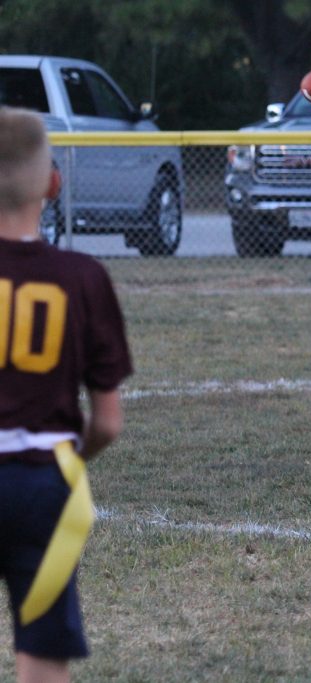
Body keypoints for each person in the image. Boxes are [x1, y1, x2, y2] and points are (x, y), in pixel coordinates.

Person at [0, 107, 132, 682]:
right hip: (41, 485)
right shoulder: (82, 276)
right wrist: (65, 462)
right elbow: (106, 423)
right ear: (50, 182)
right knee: (42, 651)